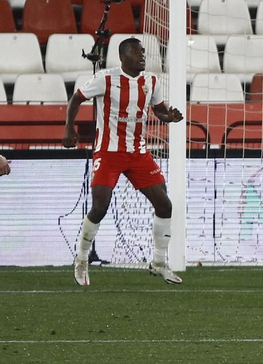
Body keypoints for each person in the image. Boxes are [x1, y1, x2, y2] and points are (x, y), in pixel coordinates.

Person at [63, 37, 185, 287]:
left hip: (137, 152)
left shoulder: (151, 81)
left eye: (143, 52)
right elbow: (76, 99)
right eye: (137, 52)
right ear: (123, 56)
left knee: (164, 205)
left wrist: (168, 116)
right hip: (108, 151)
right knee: (100, 207)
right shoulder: (105, 79)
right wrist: (69, 128)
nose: (142, 56)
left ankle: (159, 263)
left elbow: (158, 109)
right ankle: (82, 260)